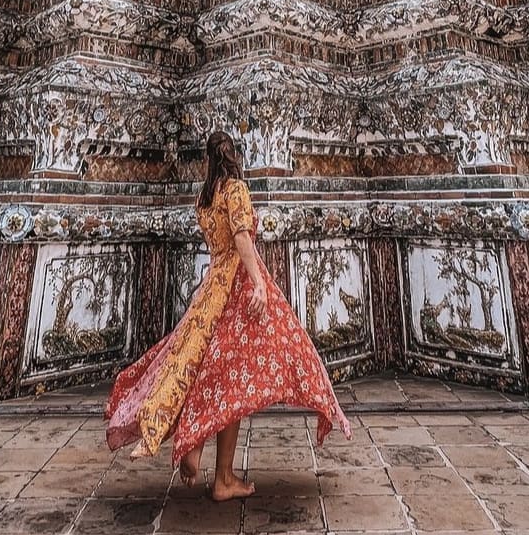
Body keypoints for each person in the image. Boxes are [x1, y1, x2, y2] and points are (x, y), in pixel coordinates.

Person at [105, 129, 351, 499]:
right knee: (257, 364)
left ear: (208, 159)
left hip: (212, 287)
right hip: (236, 285)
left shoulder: (204, 197)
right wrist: (259, 284)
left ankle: (212, 463)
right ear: (234, 155)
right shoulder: (234, 189)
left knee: (210, 371)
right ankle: (212, 463)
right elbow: (241, 237)